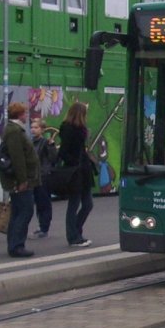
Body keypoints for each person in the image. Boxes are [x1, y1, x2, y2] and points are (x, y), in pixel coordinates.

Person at [0, 101, 38, 257]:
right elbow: (18, 158)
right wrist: (22, 180)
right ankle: (16, 245)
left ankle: (14, 243)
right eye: (25, 113)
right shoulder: (15, 131)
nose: (26, 116)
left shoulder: (13, 130)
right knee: (25, 211)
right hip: (20, 180)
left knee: (19, 211)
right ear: (20, 114)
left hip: (19, 179)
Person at [58, 100, 96, 247]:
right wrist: (74, 162)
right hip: (76, 171)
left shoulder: (76, 128)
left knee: (87, 204)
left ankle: (76, 230)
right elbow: (63, 152)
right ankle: (73, 235)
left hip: (82, 170)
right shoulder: (71, 129)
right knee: (75, 204)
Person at [30, 115, 58, 239]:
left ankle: (44, 227)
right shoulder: (31, 142)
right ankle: (41, 225)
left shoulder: (45, 143)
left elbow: (53, 159)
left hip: (43, 175)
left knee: (44, 202)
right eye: (32, 127)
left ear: (42, 129)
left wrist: (52, 146)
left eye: (36, 127)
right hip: (34, 176)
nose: (33, 130)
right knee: (38, 202)